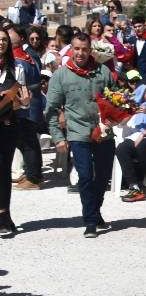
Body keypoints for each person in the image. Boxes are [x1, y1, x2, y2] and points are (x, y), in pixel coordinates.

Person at [47, 34, 117, 237]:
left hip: (103, 133)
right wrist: (58, 137)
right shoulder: (61, 76)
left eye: (84, 49)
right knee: (85, 176)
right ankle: (91, 221)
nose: (80, 53)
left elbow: (116, 100)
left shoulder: (103, 72)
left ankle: (94, 210)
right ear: (71, 50)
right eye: (76, 49)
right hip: (78, 133)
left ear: (90, 50)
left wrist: (116, 115)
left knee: (103, 177)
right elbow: (51, 109)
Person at [0, 31, 32, 238]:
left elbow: (22, 100)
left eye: (4, 40)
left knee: (3, 170)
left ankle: (3, 215)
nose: (1, 43)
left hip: (7, 125)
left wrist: (25, 102)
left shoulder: (17, 69)